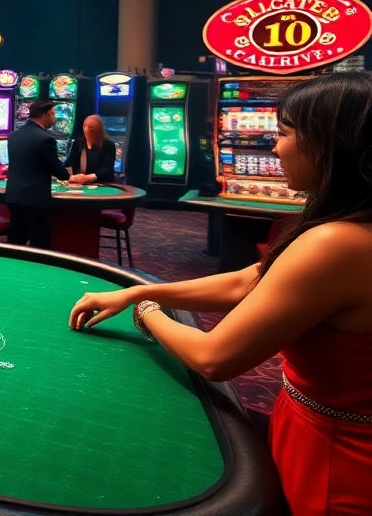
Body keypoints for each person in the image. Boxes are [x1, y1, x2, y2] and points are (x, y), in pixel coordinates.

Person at [69, 72, 372, 516]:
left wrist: (147, 310)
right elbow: (249, 278)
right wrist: (138, 291)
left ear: (330, 146)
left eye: (284, 133)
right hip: (314, 420)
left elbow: (216, 357)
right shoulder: (349, 224)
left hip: (338, 456)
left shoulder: (337, 243)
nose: (274, 147)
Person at [4, 100, 70, 248]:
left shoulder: (14, 135)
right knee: (40, 245)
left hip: (14, 195)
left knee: (15, 242)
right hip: (35, 200)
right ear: (44, 115)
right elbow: (60, 173)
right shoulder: (46, 139)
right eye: (52, 114)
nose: (55, 117)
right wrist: (69, 175)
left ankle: (10, 270)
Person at [64, 114, 117, 184]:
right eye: (85, 127)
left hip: (102, 184)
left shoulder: (108, 145)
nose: (86, 130)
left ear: (98, 130)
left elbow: (107, 169)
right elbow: (70, 162)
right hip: (81, 184)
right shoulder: (78, 143)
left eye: (91, 128)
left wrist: (89, 177)